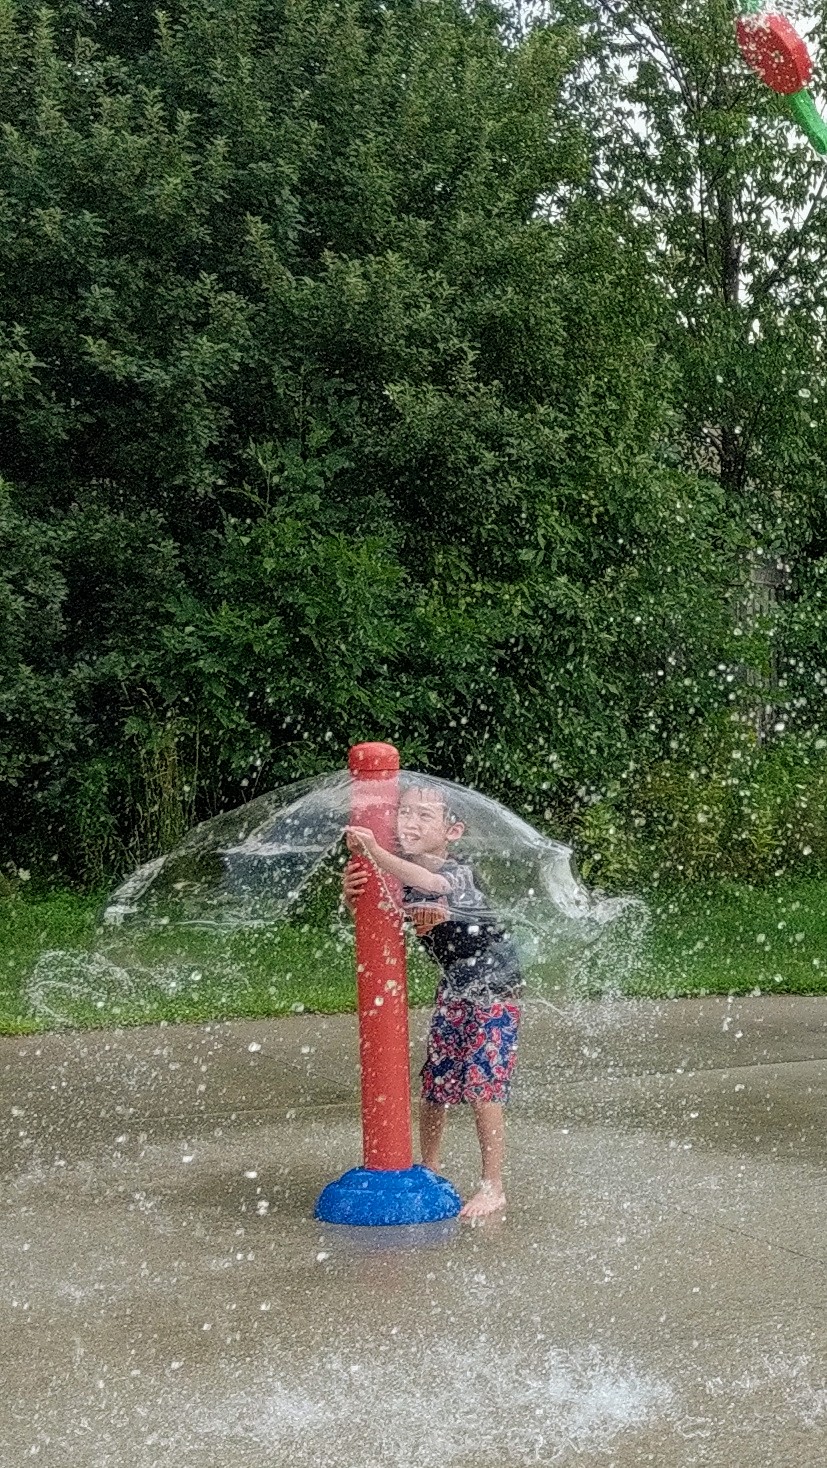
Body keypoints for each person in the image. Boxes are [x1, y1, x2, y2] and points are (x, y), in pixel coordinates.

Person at [342, 783, 523, 1220]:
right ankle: (430, 1165)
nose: (411, 822)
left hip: (496, 989)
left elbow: (431, 882)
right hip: (455, 988)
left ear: (453, 831)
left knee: (482, 1087)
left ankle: (493, 1186)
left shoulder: (458, 871)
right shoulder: (399, 879)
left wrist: (375, 854)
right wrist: (353, 897)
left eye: (425, 815)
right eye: (405, 813)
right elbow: (383, 912)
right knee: (437, 1083)